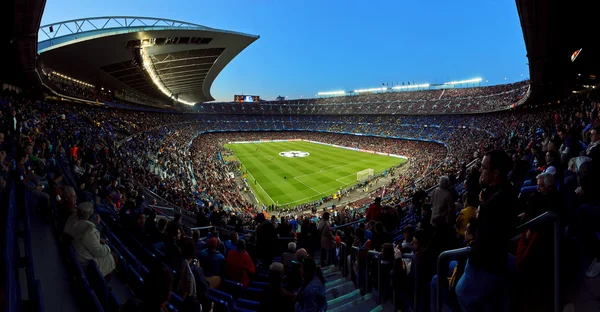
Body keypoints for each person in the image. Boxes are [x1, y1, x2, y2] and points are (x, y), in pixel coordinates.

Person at [456, 150, 514, 312]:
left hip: (486, 266)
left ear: (495, 173)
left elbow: (486, 243)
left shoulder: (494, 203)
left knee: (461, 293)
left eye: (483, 167)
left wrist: (472, 240)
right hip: (496, 263)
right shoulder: (503, 191)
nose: (480, 170)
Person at [63, 202, 117, 276]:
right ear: (90, 216)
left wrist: (98, 238)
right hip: (85, 261)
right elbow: (99, 251)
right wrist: (107, 247)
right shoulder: (89, 231)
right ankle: (102, 284)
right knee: (114, 256)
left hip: (79, 250)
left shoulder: (73, 219)